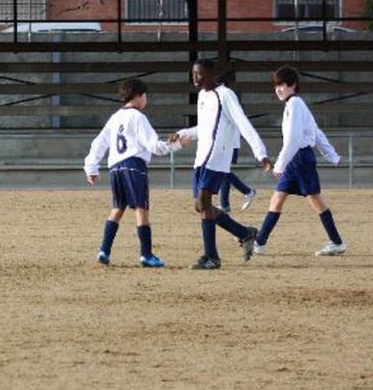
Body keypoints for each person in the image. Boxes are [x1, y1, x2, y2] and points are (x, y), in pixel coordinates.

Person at [171, 58, 271, 269]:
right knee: (201, 206)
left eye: (199, 73)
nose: (195, 78)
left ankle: (212, 257)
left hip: (217, 158)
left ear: (211, 74)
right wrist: (182, 133)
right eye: (193, 74)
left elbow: (244, 124)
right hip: (201, 157)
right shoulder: (202, 96)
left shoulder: (225, 95)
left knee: (204, 203)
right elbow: (203, 128)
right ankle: (245, 233)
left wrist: (260, 152)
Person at [84, 78, 181, 267]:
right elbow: (154, 146)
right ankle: (146, 254)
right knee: (141, 208)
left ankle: (104, 250)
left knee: (117, 208)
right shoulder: (138, 117)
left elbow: (99, 143)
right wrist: (176, 144)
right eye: (145, 96)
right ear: (137, 95)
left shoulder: (115, 117)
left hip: (116, 167)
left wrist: (91, 167)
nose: (146, 100)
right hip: (134, 165)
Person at [250, 66, 346, 257]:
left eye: (282, 85)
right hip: (298, 159)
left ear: (293, 85)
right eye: (276, 85)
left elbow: (294, 139)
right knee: (278, 198)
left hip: (299, 159)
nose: (278, 89)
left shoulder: (295, 105)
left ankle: (337, 242)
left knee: (314, 200)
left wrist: (280, 164)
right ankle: (259, 243)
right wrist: (332, 155)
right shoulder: (295, 104)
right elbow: (315, 131)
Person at [215, 72, 258, 214]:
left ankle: (247, 191)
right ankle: (225, 204)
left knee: (222, 171)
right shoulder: (224, 96)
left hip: (229, 143)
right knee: (224, 171)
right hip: (228, 142)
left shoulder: (226, 96)